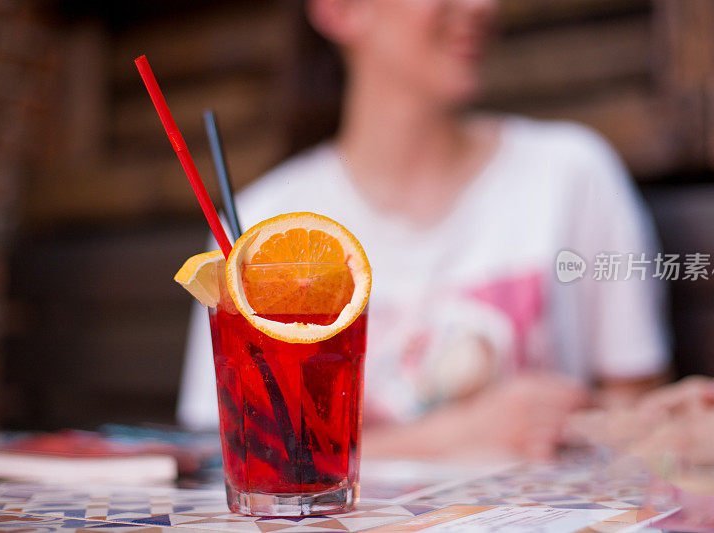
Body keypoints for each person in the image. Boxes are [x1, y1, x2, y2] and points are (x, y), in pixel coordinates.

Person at [178, 0, 671, 458]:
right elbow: (227, 456)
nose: (482, 6)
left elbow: (641, 431)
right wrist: (456, 436)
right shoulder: (264, 224)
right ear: (339, 8)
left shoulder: (573, 174)